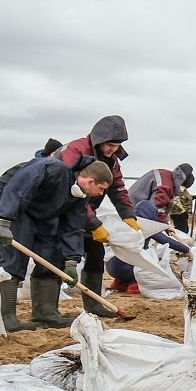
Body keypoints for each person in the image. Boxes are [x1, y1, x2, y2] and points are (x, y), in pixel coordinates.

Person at [0, 157, 113, 332]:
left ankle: (45, 313)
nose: (100, 194)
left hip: (42, 212)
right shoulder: (52, 169)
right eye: (101, 188)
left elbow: (72, 227)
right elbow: (17, 188)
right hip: (12, 203)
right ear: (90, 181)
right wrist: (5, 221)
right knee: (16, 254)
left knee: (52, 252)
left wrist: (71, 261)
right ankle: (6, 317)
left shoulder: (79, 197)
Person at [59, 117, 139, 318]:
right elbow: (72, 191)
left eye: (117, 146)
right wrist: (93, 223)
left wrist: (128, 215)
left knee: (96, 253)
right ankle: (47, 311)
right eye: (110, 145)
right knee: (57, 256)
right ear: (99, 139)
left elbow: (118, 188)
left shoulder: (111, 161)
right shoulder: (75, 152)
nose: (113, 150)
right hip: (60, 210)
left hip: (85, 212)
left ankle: (93, 305)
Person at [106, 200, 191, 294]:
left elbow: (154, 223)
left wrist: (164, 227)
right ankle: (134, 286)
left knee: (133, 259)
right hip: (126, 267)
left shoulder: (129, 221)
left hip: (112, 265)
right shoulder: (144, 226)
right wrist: (187, 250)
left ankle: (119, 282)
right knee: (151, 269)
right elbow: (166, 241)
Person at [128, 164, 195, 222]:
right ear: (180, 182)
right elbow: (156, 209)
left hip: (128, 205)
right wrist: (165, 226)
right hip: (134, 213)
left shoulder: (164, 174)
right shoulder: (166, 186)